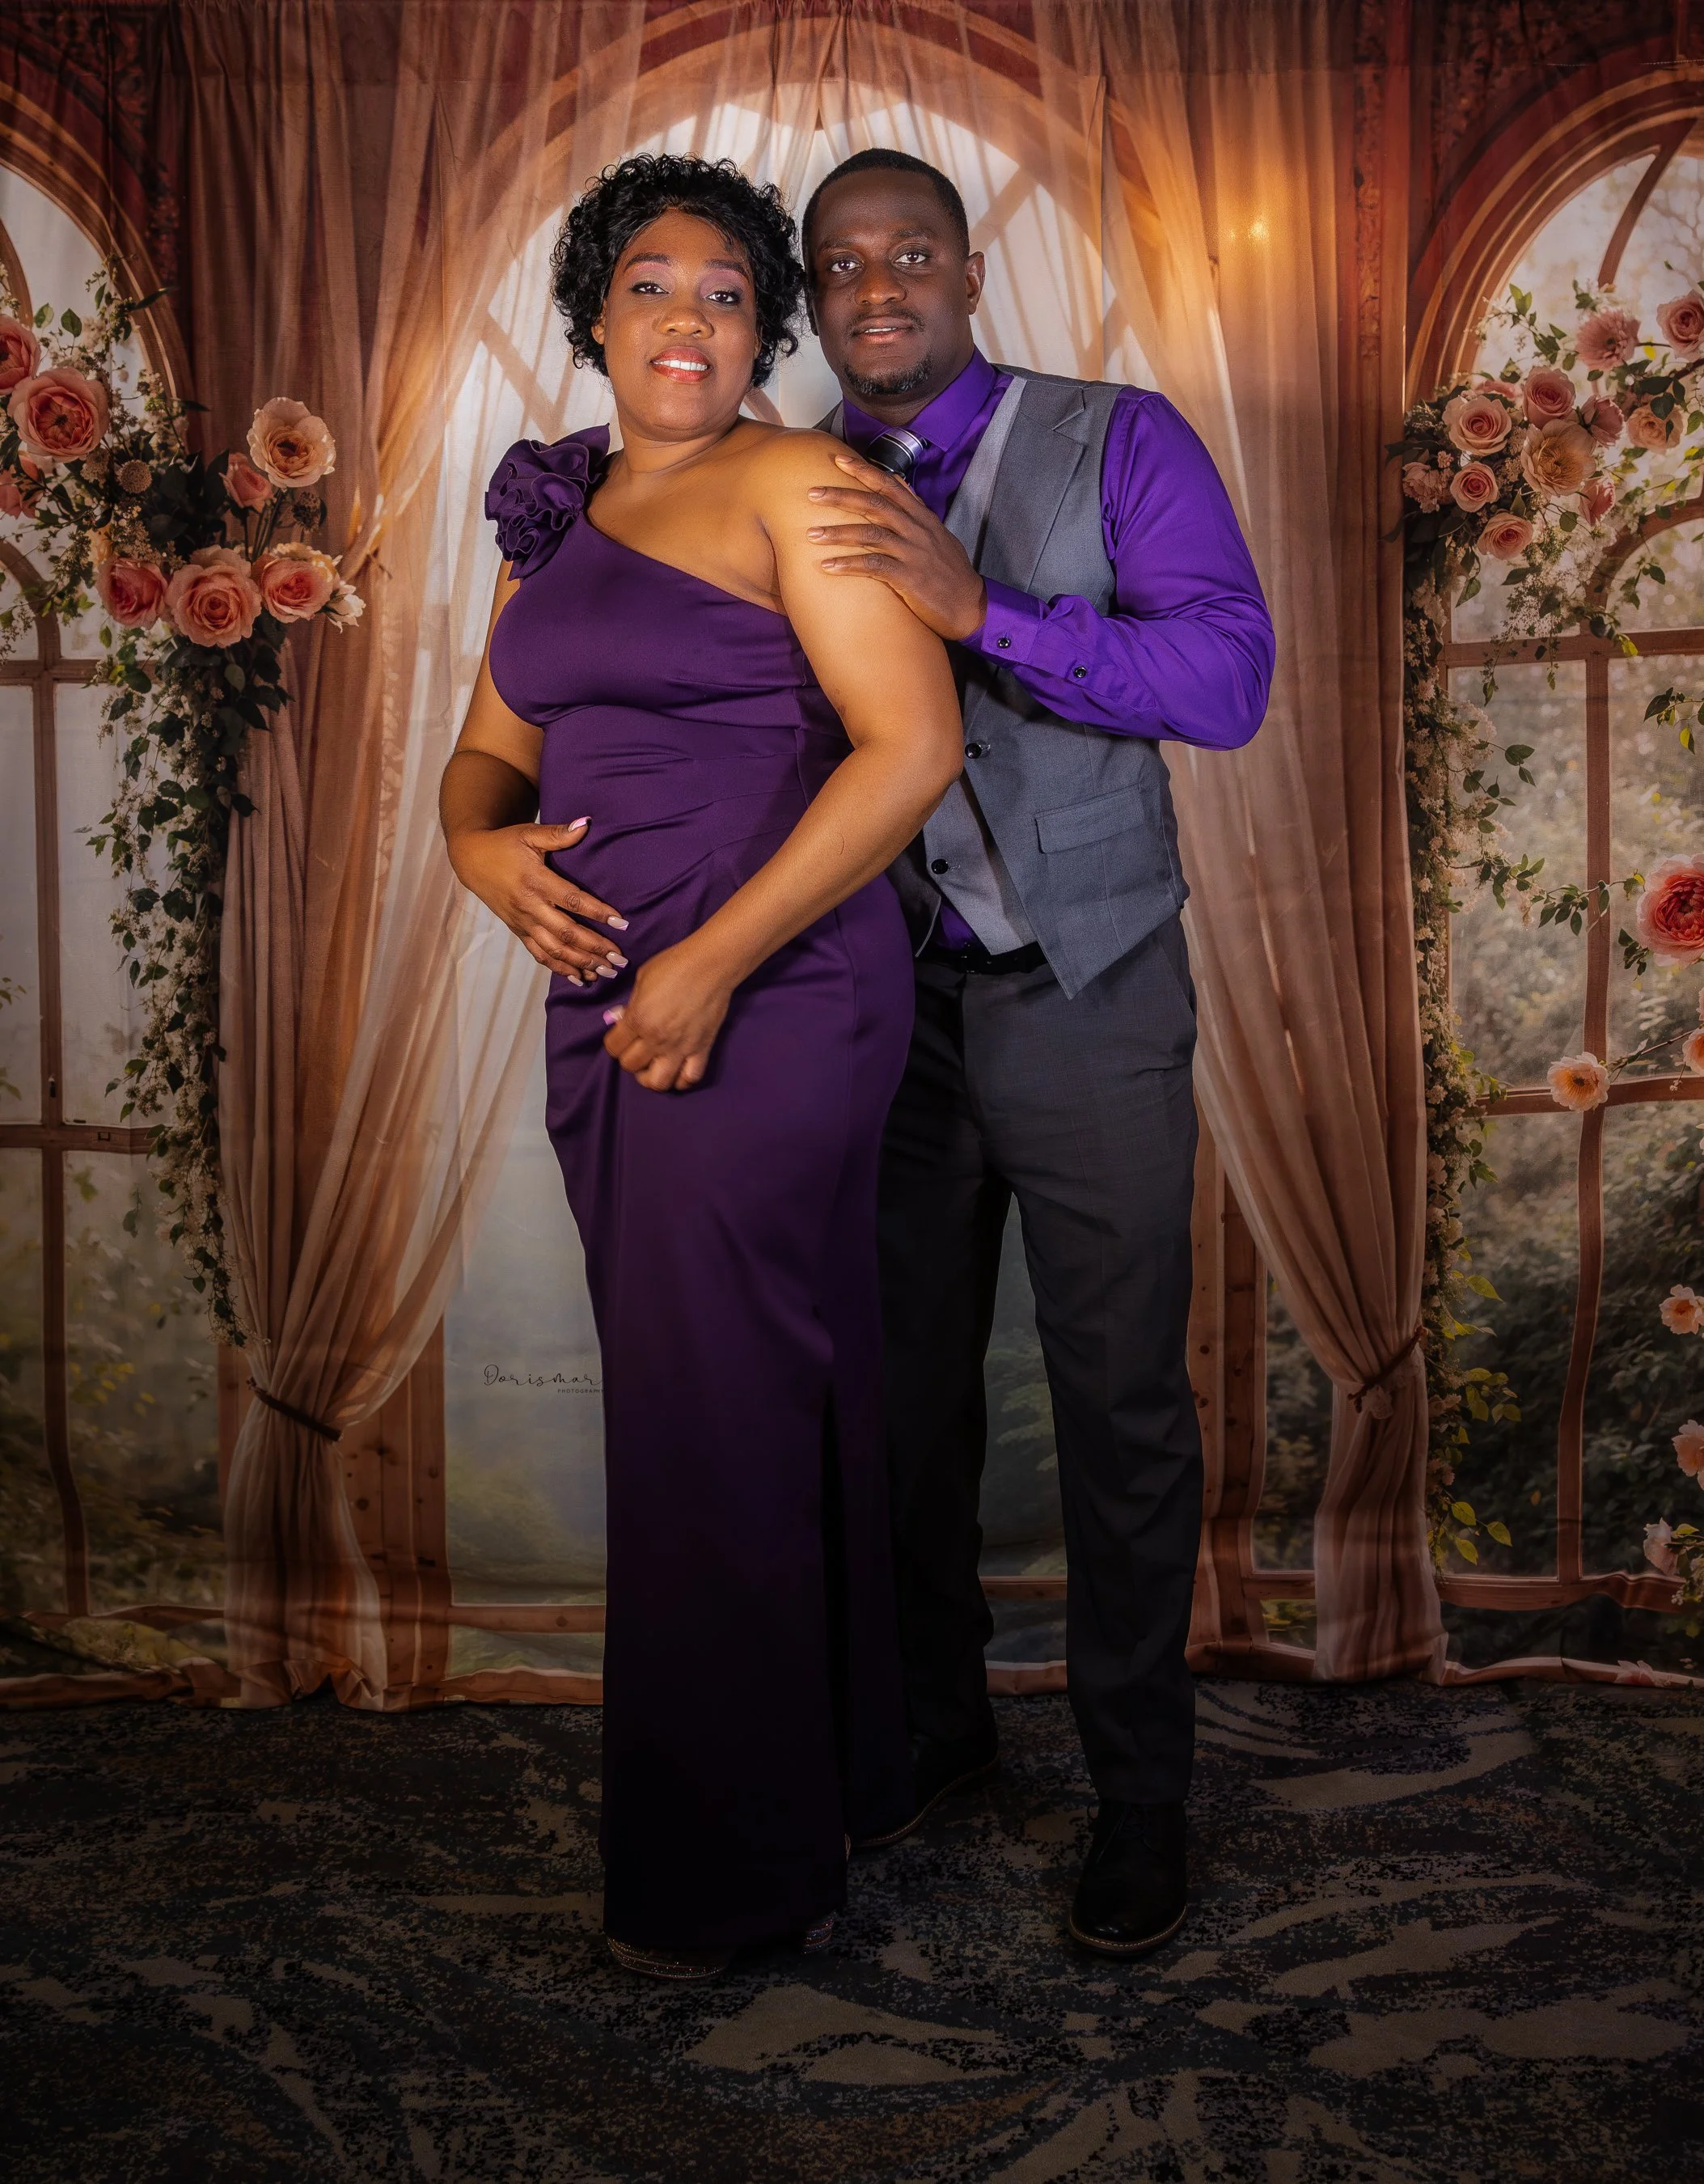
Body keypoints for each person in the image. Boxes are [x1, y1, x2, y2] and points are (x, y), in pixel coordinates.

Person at [439, 154, 962, 1981]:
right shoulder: (562, 511)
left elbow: (909, 748)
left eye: (732, 293)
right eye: (654, 285)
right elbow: (483, 759)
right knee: (769, 1388)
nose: (692, 318)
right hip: (615, 1001)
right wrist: (479, 853)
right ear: (595, 314)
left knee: (706, 1419)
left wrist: (705, 971)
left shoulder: (803, 482)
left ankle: (724, 1875)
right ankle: (848, 1775)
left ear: (767, 333)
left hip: (767, 993)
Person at [797, 148, 1275, 1956]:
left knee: (1118, 1409)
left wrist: (982, 612)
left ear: (969, 268)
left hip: (1091, 991)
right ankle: (939, 1731)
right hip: (887, 1014)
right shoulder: (790, 477)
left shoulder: (1118, 437)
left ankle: (1140, 1798)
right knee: (903, 1406)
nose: (879, 284)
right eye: (843, 264)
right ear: (819, 299)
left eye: (909, 250)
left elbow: (1227, 681)